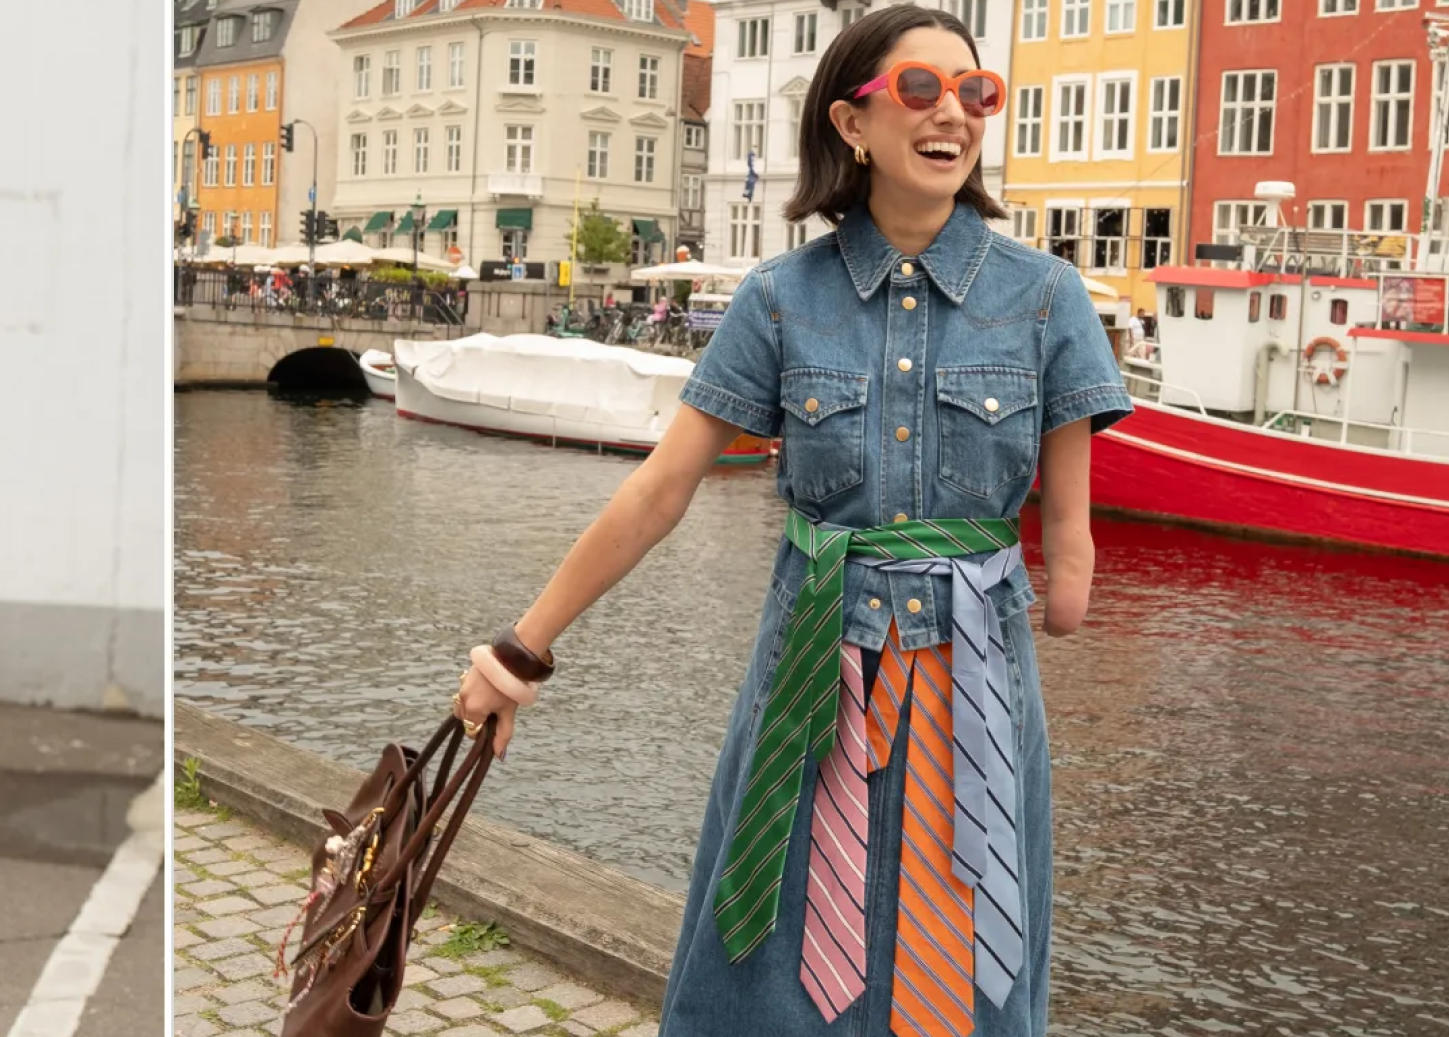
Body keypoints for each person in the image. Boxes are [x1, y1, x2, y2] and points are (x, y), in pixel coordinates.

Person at [450, 7, 1131, 1037]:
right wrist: (519, 651)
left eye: (974, 93)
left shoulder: (1044, 298)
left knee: (965, 937)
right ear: (850, 123)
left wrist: (1070, 568)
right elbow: (658, 490)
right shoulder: (778, 299)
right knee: (773, 945)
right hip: (813, 677)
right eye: (919, 88)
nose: (953, 111)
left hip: (975, 687)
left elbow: (1070, 526)